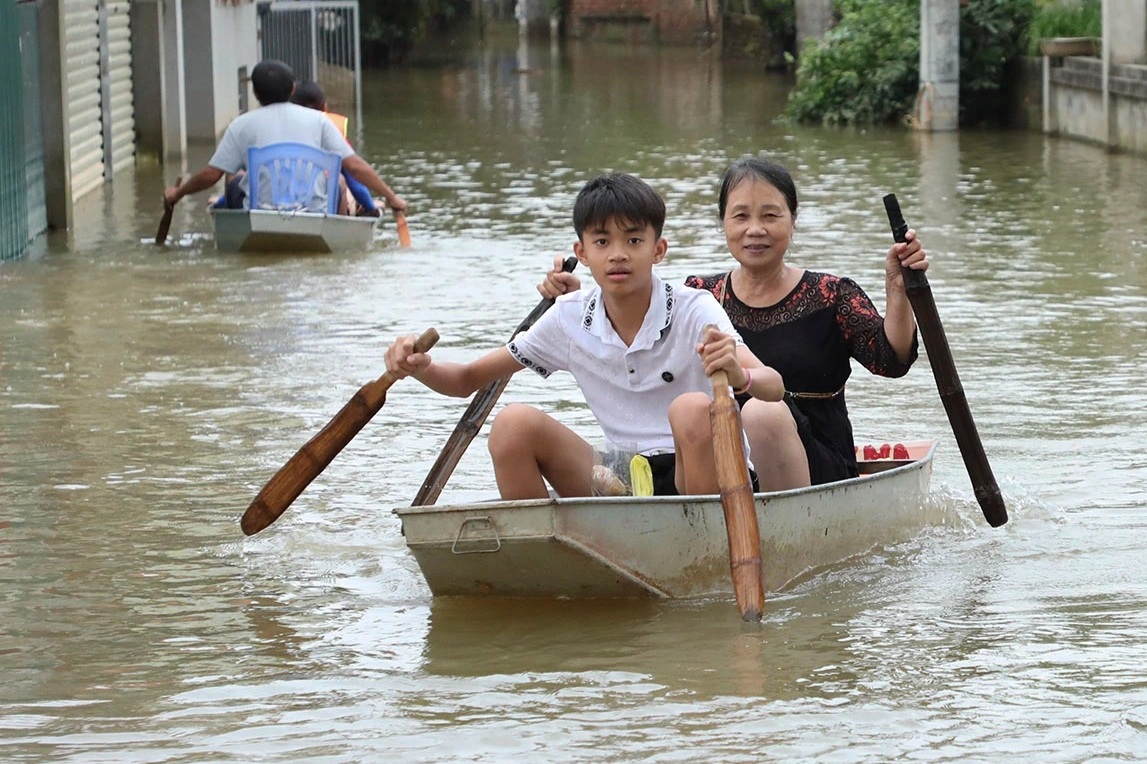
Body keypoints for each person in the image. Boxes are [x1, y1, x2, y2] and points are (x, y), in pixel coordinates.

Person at [385, 173, 784, 500]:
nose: (618, 254)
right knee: (512, 424)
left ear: (658, 250)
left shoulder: (695, 308)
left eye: (633, 240)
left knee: (692, 408)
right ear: (583, 250)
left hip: (706, 476)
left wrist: (737, 374)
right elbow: (466, 380)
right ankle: (542, 559)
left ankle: (701, 548)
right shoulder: (569, 317)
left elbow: (774, 386)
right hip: (624, 476)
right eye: (602, 241)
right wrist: (419, 366)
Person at [538, 157, 929, 491]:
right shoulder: (700, 294)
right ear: (724, 223)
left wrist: (898, 291)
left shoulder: (830, 293)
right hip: (719, 459)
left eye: (770, 215)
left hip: (811, 462)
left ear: (792, 222)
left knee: (761, 412)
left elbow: (890, 361)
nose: (754, 229)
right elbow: (629, 305)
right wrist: (577, 298)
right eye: (740, 216)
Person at [162, 59, 406, 216]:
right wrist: (391, 197)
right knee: (336, 182)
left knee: (234, 177)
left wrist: (178, 193)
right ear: (292, 89)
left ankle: (225, 207)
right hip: (316, 211)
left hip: (260, 216)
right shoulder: (321, 121)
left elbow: (209, 175)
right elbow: (354, 166)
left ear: (255, 92)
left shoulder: (241, 125)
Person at [289, 80, 380, 217]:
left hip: (281, 202)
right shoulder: (333, 133)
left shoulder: (280, 130)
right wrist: (370, 207)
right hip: (322, 206)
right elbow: (355, 181)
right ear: (324, 108)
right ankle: (340, 225)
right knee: (340, 181)